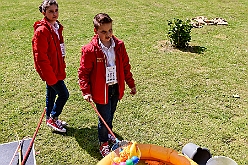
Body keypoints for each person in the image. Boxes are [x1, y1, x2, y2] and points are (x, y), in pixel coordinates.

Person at [78, 13, 137, 157]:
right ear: (95, 31)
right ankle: (103, 143)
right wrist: (86, 91)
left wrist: (131, 84)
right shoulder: (90, 50)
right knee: (104, 118)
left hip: (115, 87)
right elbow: (83, 72)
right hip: (100, 90)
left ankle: (110, 133)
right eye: (103, 31)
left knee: (110, 114)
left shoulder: (119, 46)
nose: (108, 34)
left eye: (110, 30)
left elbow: (125, 66)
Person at [32, 0, 69, 133]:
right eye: (50, 11)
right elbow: (40, 57)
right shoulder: (42, 31)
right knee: (64, 94)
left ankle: (50, 117)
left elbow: (59, 48)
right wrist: (49, 76)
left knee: (51, 93)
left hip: (57, 68)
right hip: (50, 71)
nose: (54, 14)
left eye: (56, 10)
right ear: (44, 12)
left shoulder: (56, 26)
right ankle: (52, 117)